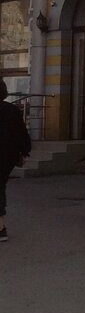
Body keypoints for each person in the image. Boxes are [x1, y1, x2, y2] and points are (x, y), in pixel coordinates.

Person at [0, 80, 32, 242]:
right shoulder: (12, 110)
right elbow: (21, 133)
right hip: (8, 156)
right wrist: (25, 152)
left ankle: (0, 228)